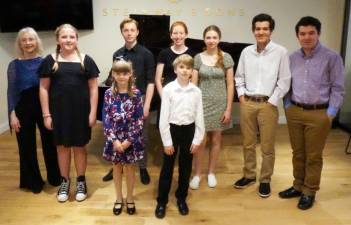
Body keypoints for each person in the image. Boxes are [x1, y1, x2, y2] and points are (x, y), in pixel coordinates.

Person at [279, 16, 345, 210]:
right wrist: (287, 104)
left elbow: (338, 88)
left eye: (311, 33)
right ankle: (298, 185)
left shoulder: (331, 57)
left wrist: (331, 113)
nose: (307, 37)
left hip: (320, 113)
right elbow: (286, 84)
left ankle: (309, 191)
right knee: (298, 153)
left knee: (313, 155)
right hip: (295, 111)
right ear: (297, 36)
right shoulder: (292, 58)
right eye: (302, 33)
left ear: (318, 33)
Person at [39, 24, 99, 202]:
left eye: (71, 37)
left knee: (80, 148)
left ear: (76, 39)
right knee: (62, 148)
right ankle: (65, 181)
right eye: (64, 37)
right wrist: (46, 114)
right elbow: (43, 89)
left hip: (81, 113)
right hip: (59, 113)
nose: (68, 40)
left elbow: (94, 89)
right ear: (58, 39)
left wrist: (93, 112)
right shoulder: (50, 61)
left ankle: (81, 181)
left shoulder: (86, 60)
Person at [234, 13, 291, 198]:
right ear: (253, 31)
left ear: (271, 31)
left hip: (268, 104)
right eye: (257, 29)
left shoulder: (280, 52)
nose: (261, 32)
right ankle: (249, 175)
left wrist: (272, 100)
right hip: (248, 103)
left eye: (265, 29)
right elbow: (239, 77)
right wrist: (241, 96)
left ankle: (265, 179)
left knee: (267, 146)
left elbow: (284, 80)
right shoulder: (246, 52)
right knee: (248, 143)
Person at [7, 27, 61, 194]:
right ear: (20, 44)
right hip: (23, 107)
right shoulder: (14, 65)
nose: (28, 43)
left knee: (50, 143)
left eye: (31, 39)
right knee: (26, 146)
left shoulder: (45, 61)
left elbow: (52, 88)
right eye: (24, 40)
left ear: (36, 41)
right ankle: (33, 182)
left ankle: (55, 177)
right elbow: (12, 91)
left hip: (44, 106)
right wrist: (12, 114)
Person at [102, 18, 155, 184]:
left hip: (139, 100)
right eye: (126, 30)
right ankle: (116, 165)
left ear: (137, 32)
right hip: (119, 100)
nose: (129, 33)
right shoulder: (117, 54)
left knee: (140, 135)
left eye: (133, 30)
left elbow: (151, 82)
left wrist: (146, 105)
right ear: (122, 32)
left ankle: (142, 166)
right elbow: (114, 78)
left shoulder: (146, 54)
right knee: (118, 133)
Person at [155, 54, 205, 218]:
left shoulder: (196, 91)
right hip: (172, 130)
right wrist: (167, 142)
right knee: (167, 167)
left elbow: (199, 117)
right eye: (181, 67)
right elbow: (163, 118)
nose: (184, 70)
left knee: (185, 166)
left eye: (188, 68)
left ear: (192, 71)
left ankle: (181, 198)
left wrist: (197, 139)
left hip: (189, 131)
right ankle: (162, 201)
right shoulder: (168, 89)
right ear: (176, 69)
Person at [189, 25, 234, 189]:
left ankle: (211, 173)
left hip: (220, 104)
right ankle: (197, 174)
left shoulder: (226, 57)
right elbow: (193, 85)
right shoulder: (198, 58)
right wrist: (193, 107)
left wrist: (229, 108)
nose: (211, 40)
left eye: (214, 37)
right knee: (200, 140)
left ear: (219, 39)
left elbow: (230, 84)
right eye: (208, 37)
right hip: (201, 104)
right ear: (204, 39)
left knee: (216, 139)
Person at [103, 60, 144, 216]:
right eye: (118, 73)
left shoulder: (136, 94)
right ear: (113, 74)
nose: (121, 76)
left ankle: (130, 197)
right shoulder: (108, 94)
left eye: (125, 73)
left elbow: (139, 120)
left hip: (130, 139)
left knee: (129, 169)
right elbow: (106, 118)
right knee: (117, 167)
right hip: (114, 140)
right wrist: (114, 140)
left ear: (130, 74)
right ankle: (119, 198)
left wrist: (128, 141)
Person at [155, 21, 194, 97]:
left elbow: (193, 79)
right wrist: (164, 98)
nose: (178, 36)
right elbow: (157, 79)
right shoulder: (163, 53)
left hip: (185, 95)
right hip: (167, 94)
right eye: (175, 33)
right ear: (171, 35)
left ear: (186, 35)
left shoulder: (193, 54)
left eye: (181, 33)